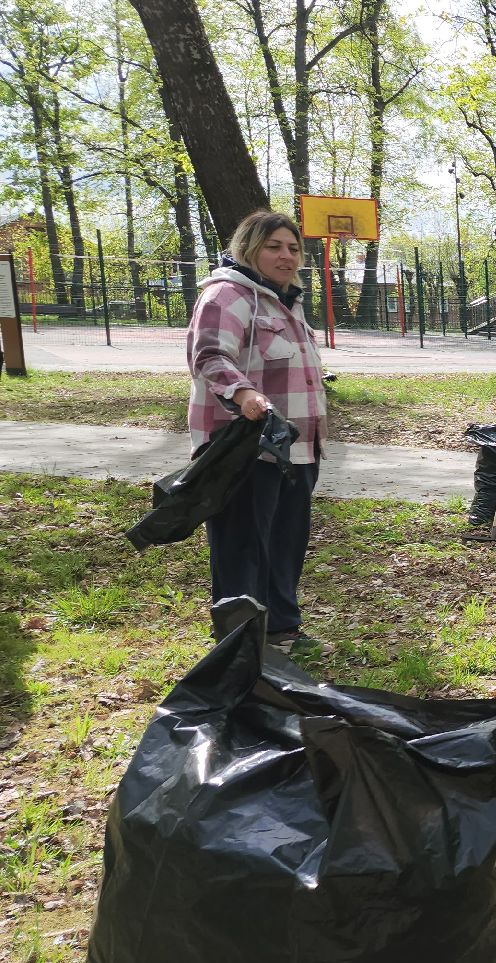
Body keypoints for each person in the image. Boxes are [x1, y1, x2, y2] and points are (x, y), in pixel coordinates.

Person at [186, 208, 328, 652]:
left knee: (286, 542)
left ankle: (283, 629)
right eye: (274, 247)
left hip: (297, 449)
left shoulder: (288, 300)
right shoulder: (228, 296)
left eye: (293, 248)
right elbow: (210, 356)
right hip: (246, 448)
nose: (286, 256)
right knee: (243, 544)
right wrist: (243, 394)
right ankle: (240, 642)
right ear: (248, 248)